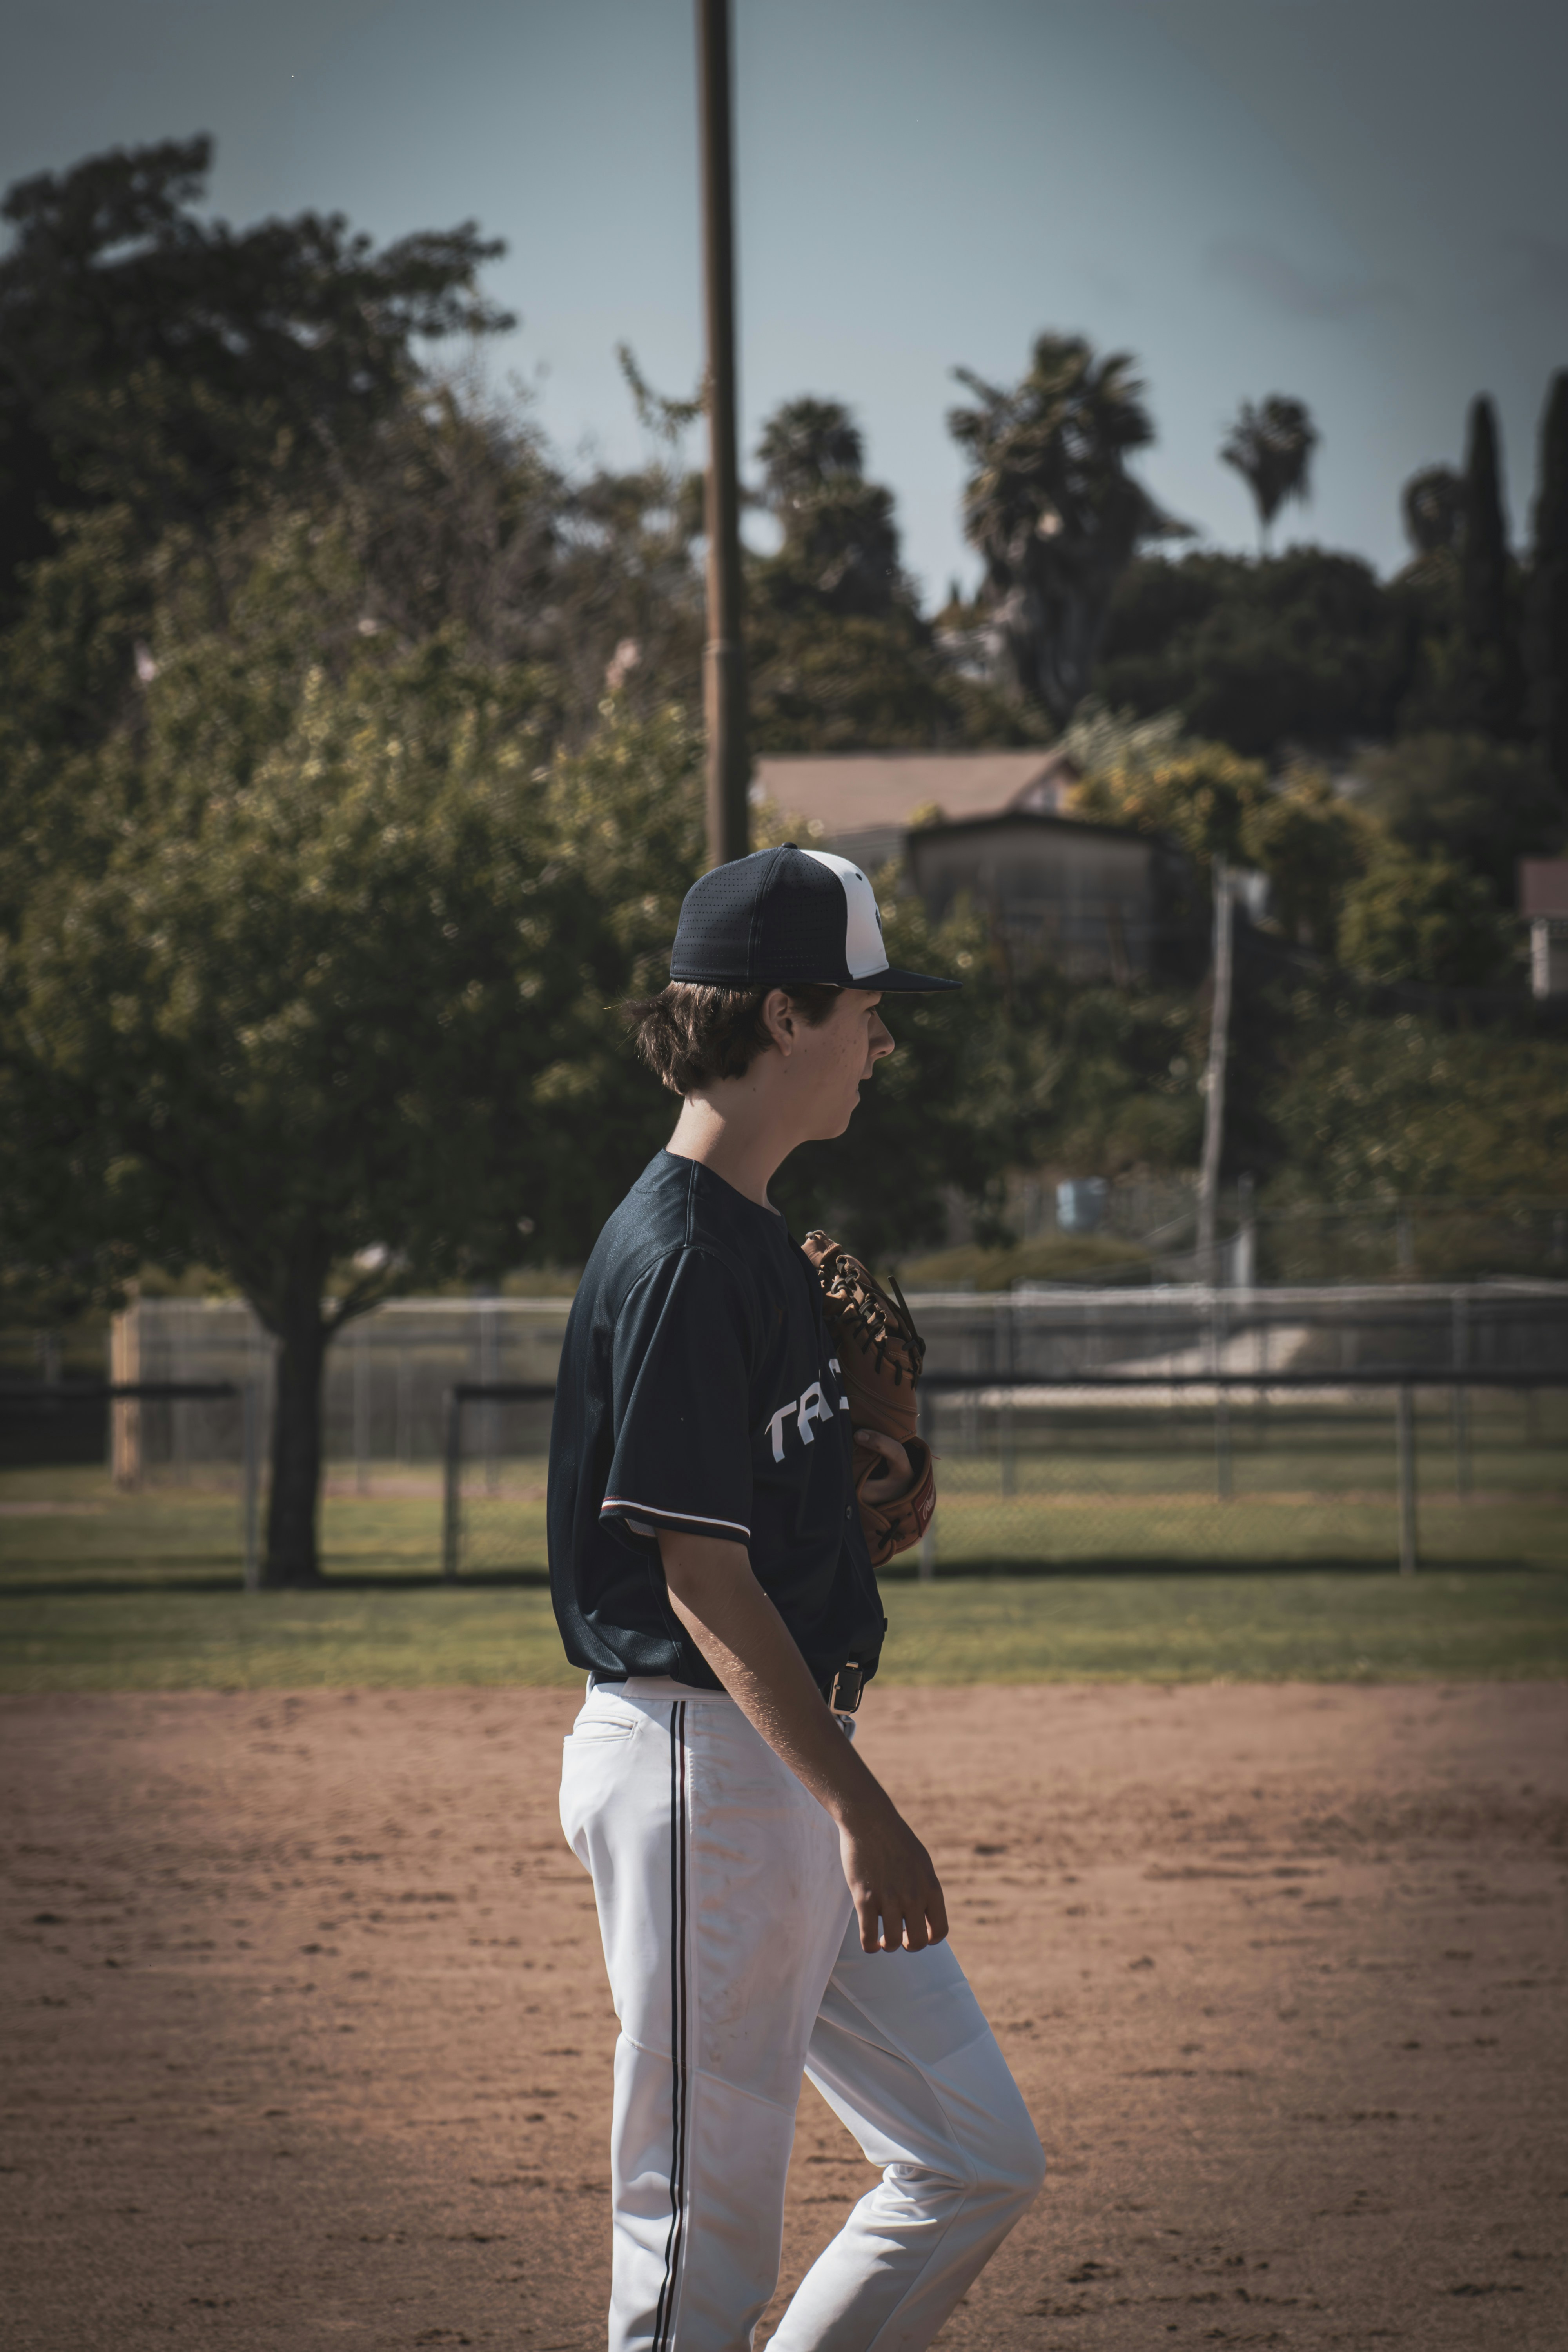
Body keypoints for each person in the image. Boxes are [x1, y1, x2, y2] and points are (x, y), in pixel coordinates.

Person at [548, 844, 1044, 2352]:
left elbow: (754, 1524)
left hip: (769, 1763)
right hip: (713, 1766)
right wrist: (863, 1812)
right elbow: (699, 1576)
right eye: (866, 1010)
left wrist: (850, 1483)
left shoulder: (755, 1243)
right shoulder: (689, 1252)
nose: (882, 1043)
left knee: (971, 2156)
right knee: (697, 2245)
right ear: (782, 1015)